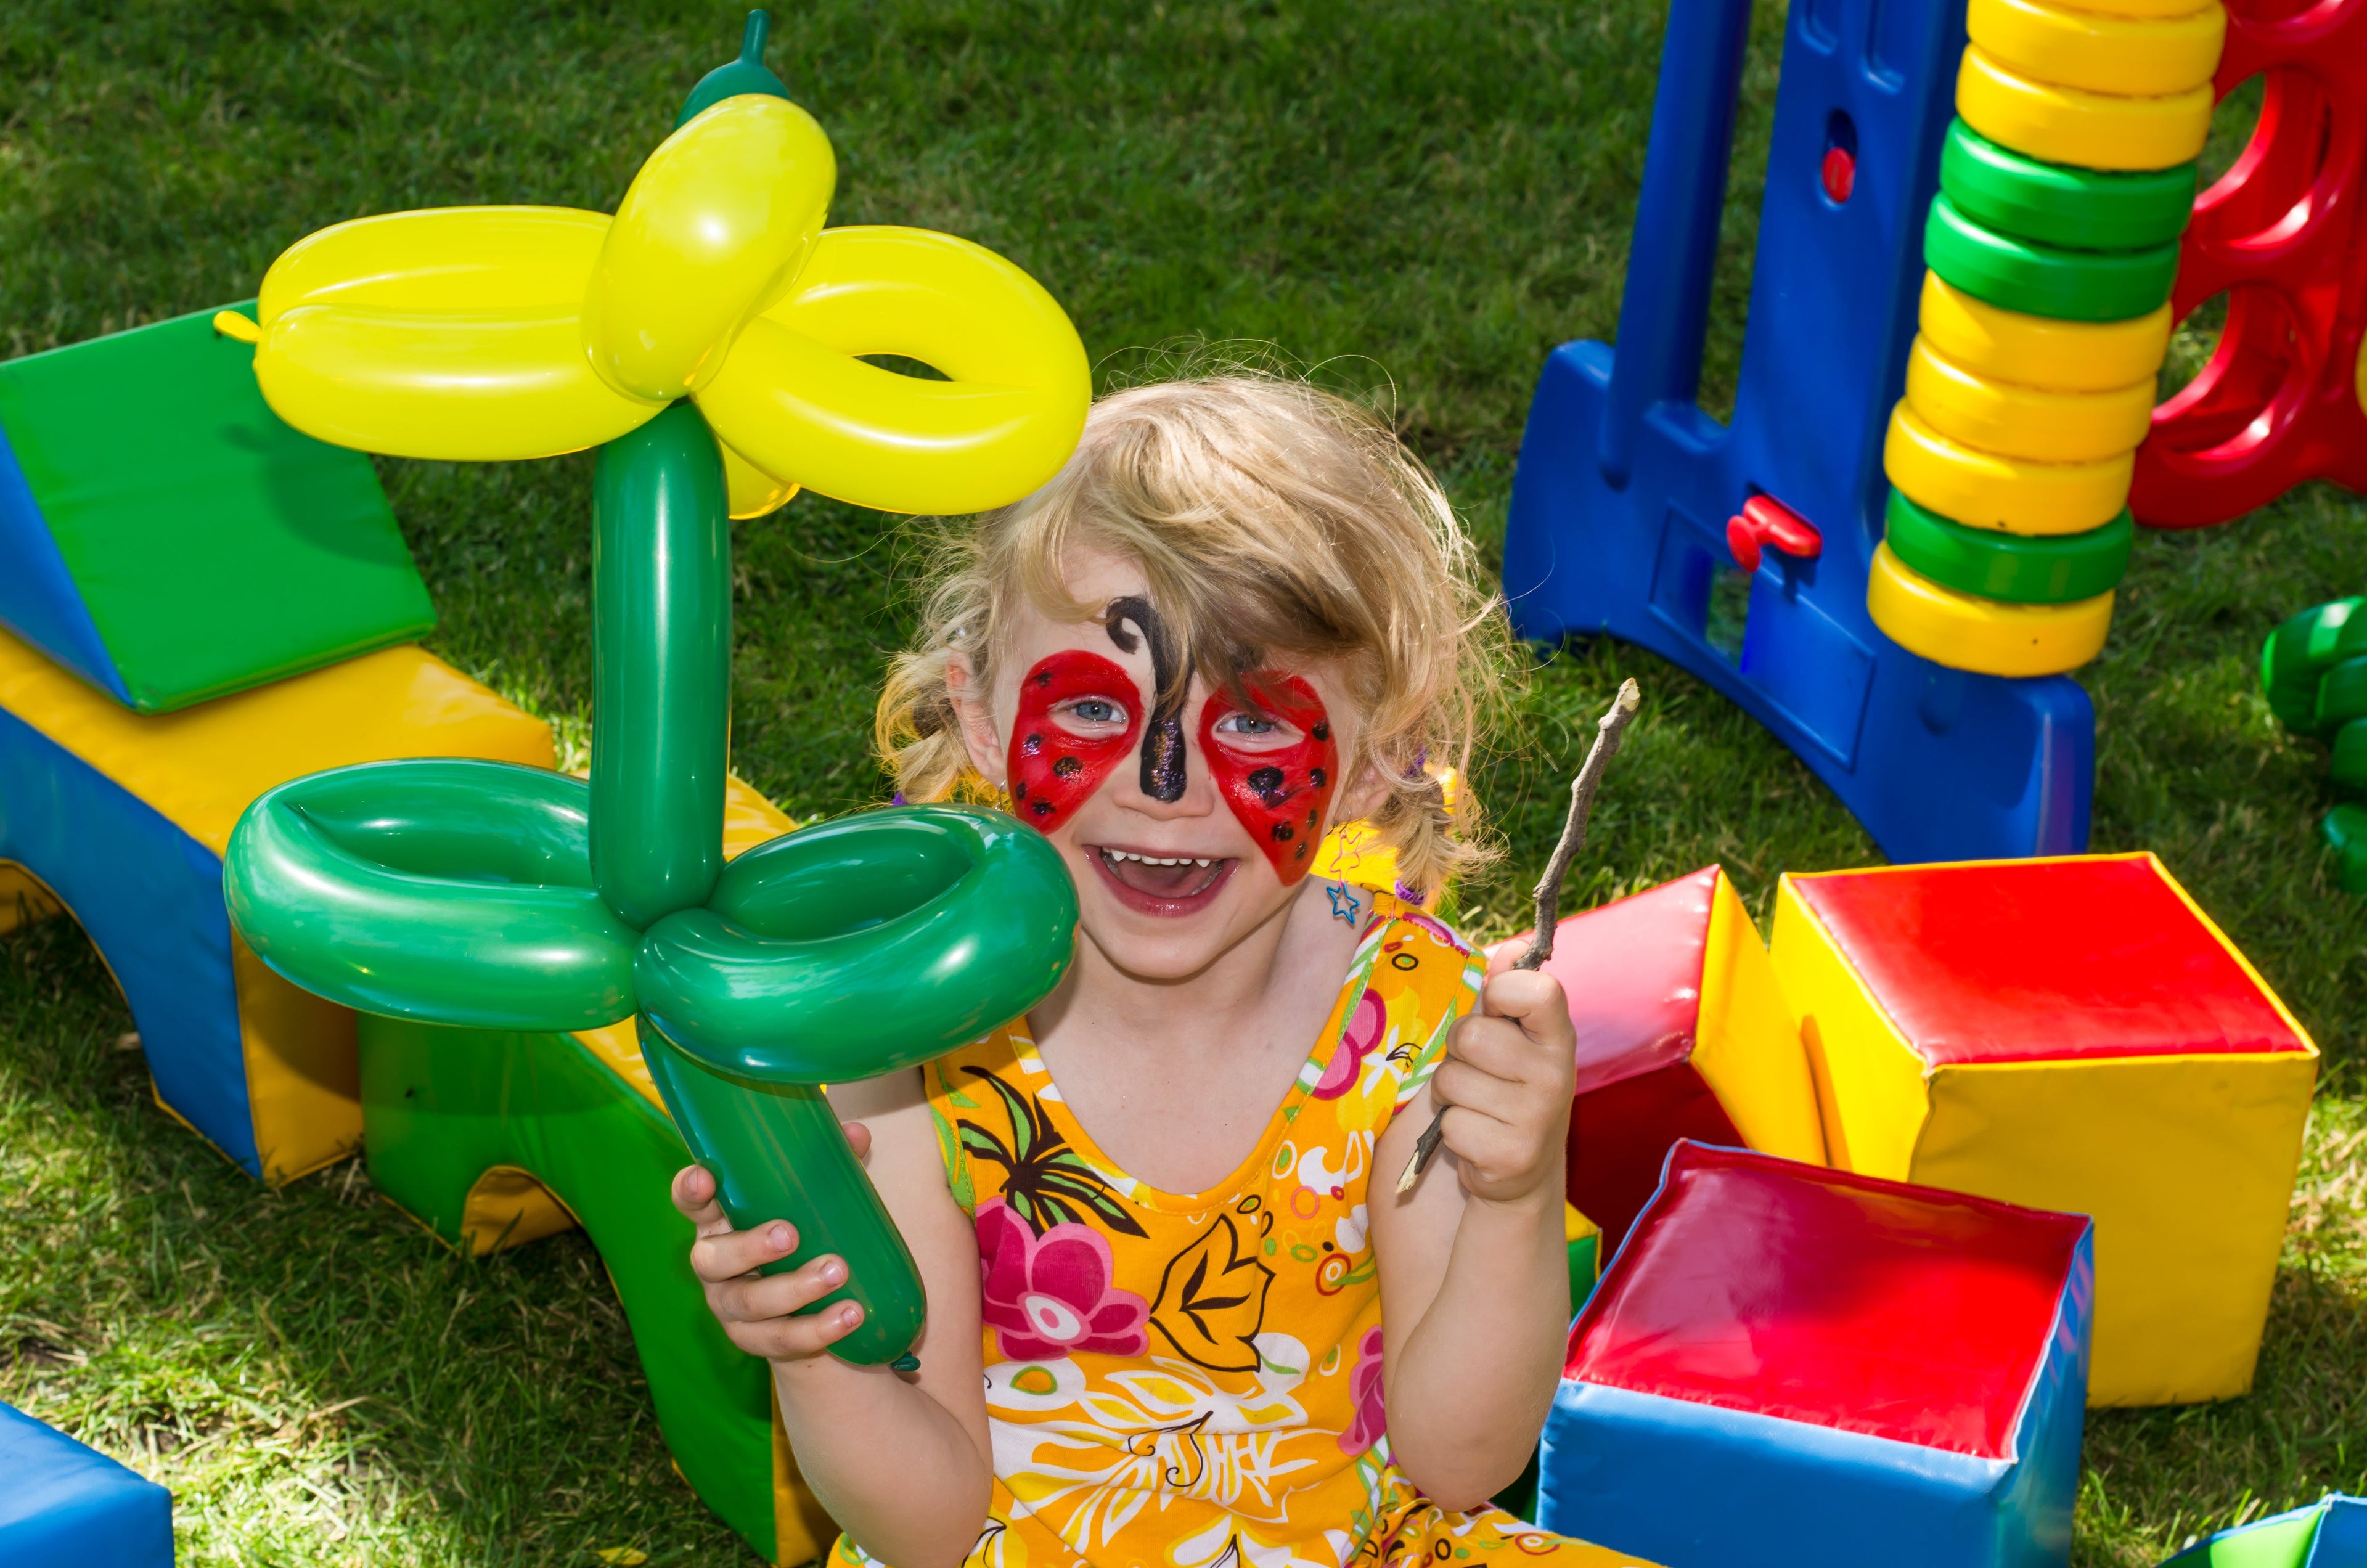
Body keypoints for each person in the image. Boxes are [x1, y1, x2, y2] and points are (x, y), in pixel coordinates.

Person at [671, 375, 1648, 1567]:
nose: (1164, 783)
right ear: (980, 720)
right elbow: (925, 1524)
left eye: (1248, 721)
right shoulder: (904, 1040)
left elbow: (1460, 1459)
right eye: (1093, 706)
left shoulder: (1412, 1025)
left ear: (1375, 757)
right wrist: (816, 1344)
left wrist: (1514, 1194)